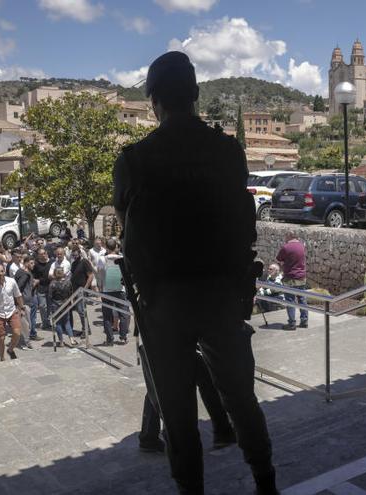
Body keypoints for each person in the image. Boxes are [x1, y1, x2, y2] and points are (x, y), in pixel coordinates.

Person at [113, 51, 277, 494]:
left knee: (178, 414)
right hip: (223, 292)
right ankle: (266, 481)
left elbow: (128, 230)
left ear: (154, 102)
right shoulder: (229, 152)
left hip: (164, 302)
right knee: (242, 397)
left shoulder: (134, 159)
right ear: (195, 95)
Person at [0, 264, 24, 361]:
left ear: (4, 271)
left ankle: (10, 349)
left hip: (12, 311)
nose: (0, 273)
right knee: (1, 338)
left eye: (2, 271)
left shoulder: (11, 281)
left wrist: (22, 308)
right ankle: (2, 358)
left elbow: (18, 295)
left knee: (17, 333)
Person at [97, 239, 128, 346]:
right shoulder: (122, 258)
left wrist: (100, 287)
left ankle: (110, 339)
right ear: (116, 247)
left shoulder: (102, 259)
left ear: (106, 247)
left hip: (107, 290)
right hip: (120, 289)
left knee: (107, 315)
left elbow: (100, 274)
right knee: (123, 314)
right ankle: (123, 337)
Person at [276, 232, 308, 330]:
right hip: (301, 277)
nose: (285, 238)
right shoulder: (302, 246)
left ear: (289, 236)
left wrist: (283, 264)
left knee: (290, 300)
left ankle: (292, 323)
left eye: (286, 236)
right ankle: (304, 321)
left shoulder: (286, 247)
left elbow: (278, 259)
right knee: (302, 299)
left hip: (290, 278)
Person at [15, 255, 42, 345]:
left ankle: (26, 339)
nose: (33, 265)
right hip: (25, 301)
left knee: (26, 322)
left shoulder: (20, 271)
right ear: (26, 263)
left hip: (26, 300)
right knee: (26, 323)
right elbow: (19, 288)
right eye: (31, 263)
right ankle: (26, 342)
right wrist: (20, 303)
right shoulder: (25, 274)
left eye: (33, 263)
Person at [48, 267, 76, 347]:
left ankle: (61, 341)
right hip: (65, 304)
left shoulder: (52, 284)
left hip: (55, 305)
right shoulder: (68, 282)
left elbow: (50, 296)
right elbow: (71, 293)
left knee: (58, 323)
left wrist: (49, 309)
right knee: (67, 322)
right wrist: (71, 302)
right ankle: (71, 339)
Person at [69, 246, 94, 333]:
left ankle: (85, 330)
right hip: (75, 290)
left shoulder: (85, 262)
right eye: (73, 255)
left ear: (80, 253)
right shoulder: (74, 264)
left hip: (82, 290)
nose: (75, 257)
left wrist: (85, 288)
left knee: (81, 311)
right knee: (80, 311)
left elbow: (90, 276)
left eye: (76, 255)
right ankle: (86, 329)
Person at [32, 248, 52, 330]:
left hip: (50, 287)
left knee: (49, 306)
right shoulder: (36, 265)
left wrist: (39, 280)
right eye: (41, 254)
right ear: (38, 256)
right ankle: (45, 322)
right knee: (42, 306)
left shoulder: (52, 263)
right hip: (40, 288)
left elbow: (50, 277)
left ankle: (48, 322)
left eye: (44, 253)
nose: (43, 255)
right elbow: (34, 276)